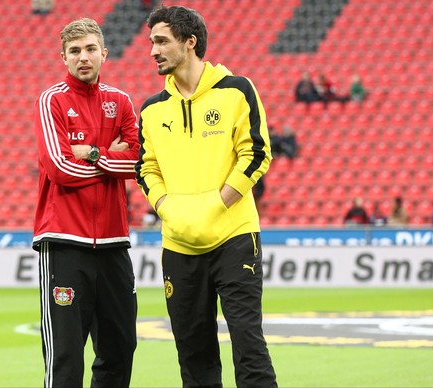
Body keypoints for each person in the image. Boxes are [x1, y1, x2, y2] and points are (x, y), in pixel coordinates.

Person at [136, 5, 277, 387]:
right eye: (151, 42)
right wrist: (168, 209)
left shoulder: (236, 90)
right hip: (179, 245)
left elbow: (257, 154)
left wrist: (217, 204)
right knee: (193, 355)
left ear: (190, 42)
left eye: (161, 41)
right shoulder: (151, 110)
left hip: (234, 238)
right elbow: (146, 169)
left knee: (248, 345)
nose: (153, 50)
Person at [32, 18, 139, 388]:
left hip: (113, 243)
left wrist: (93, 154)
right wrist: (112, 159)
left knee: (121, 348)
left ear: (104, 54)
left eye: (91, 49)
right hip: (64, 243)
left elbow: (140, 162)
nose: (83, 57)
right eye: (75, 51)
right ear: (63, 57)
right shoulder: (52, 100)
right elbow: (60, 168)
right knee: (65, 356)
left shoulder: (121, 102)